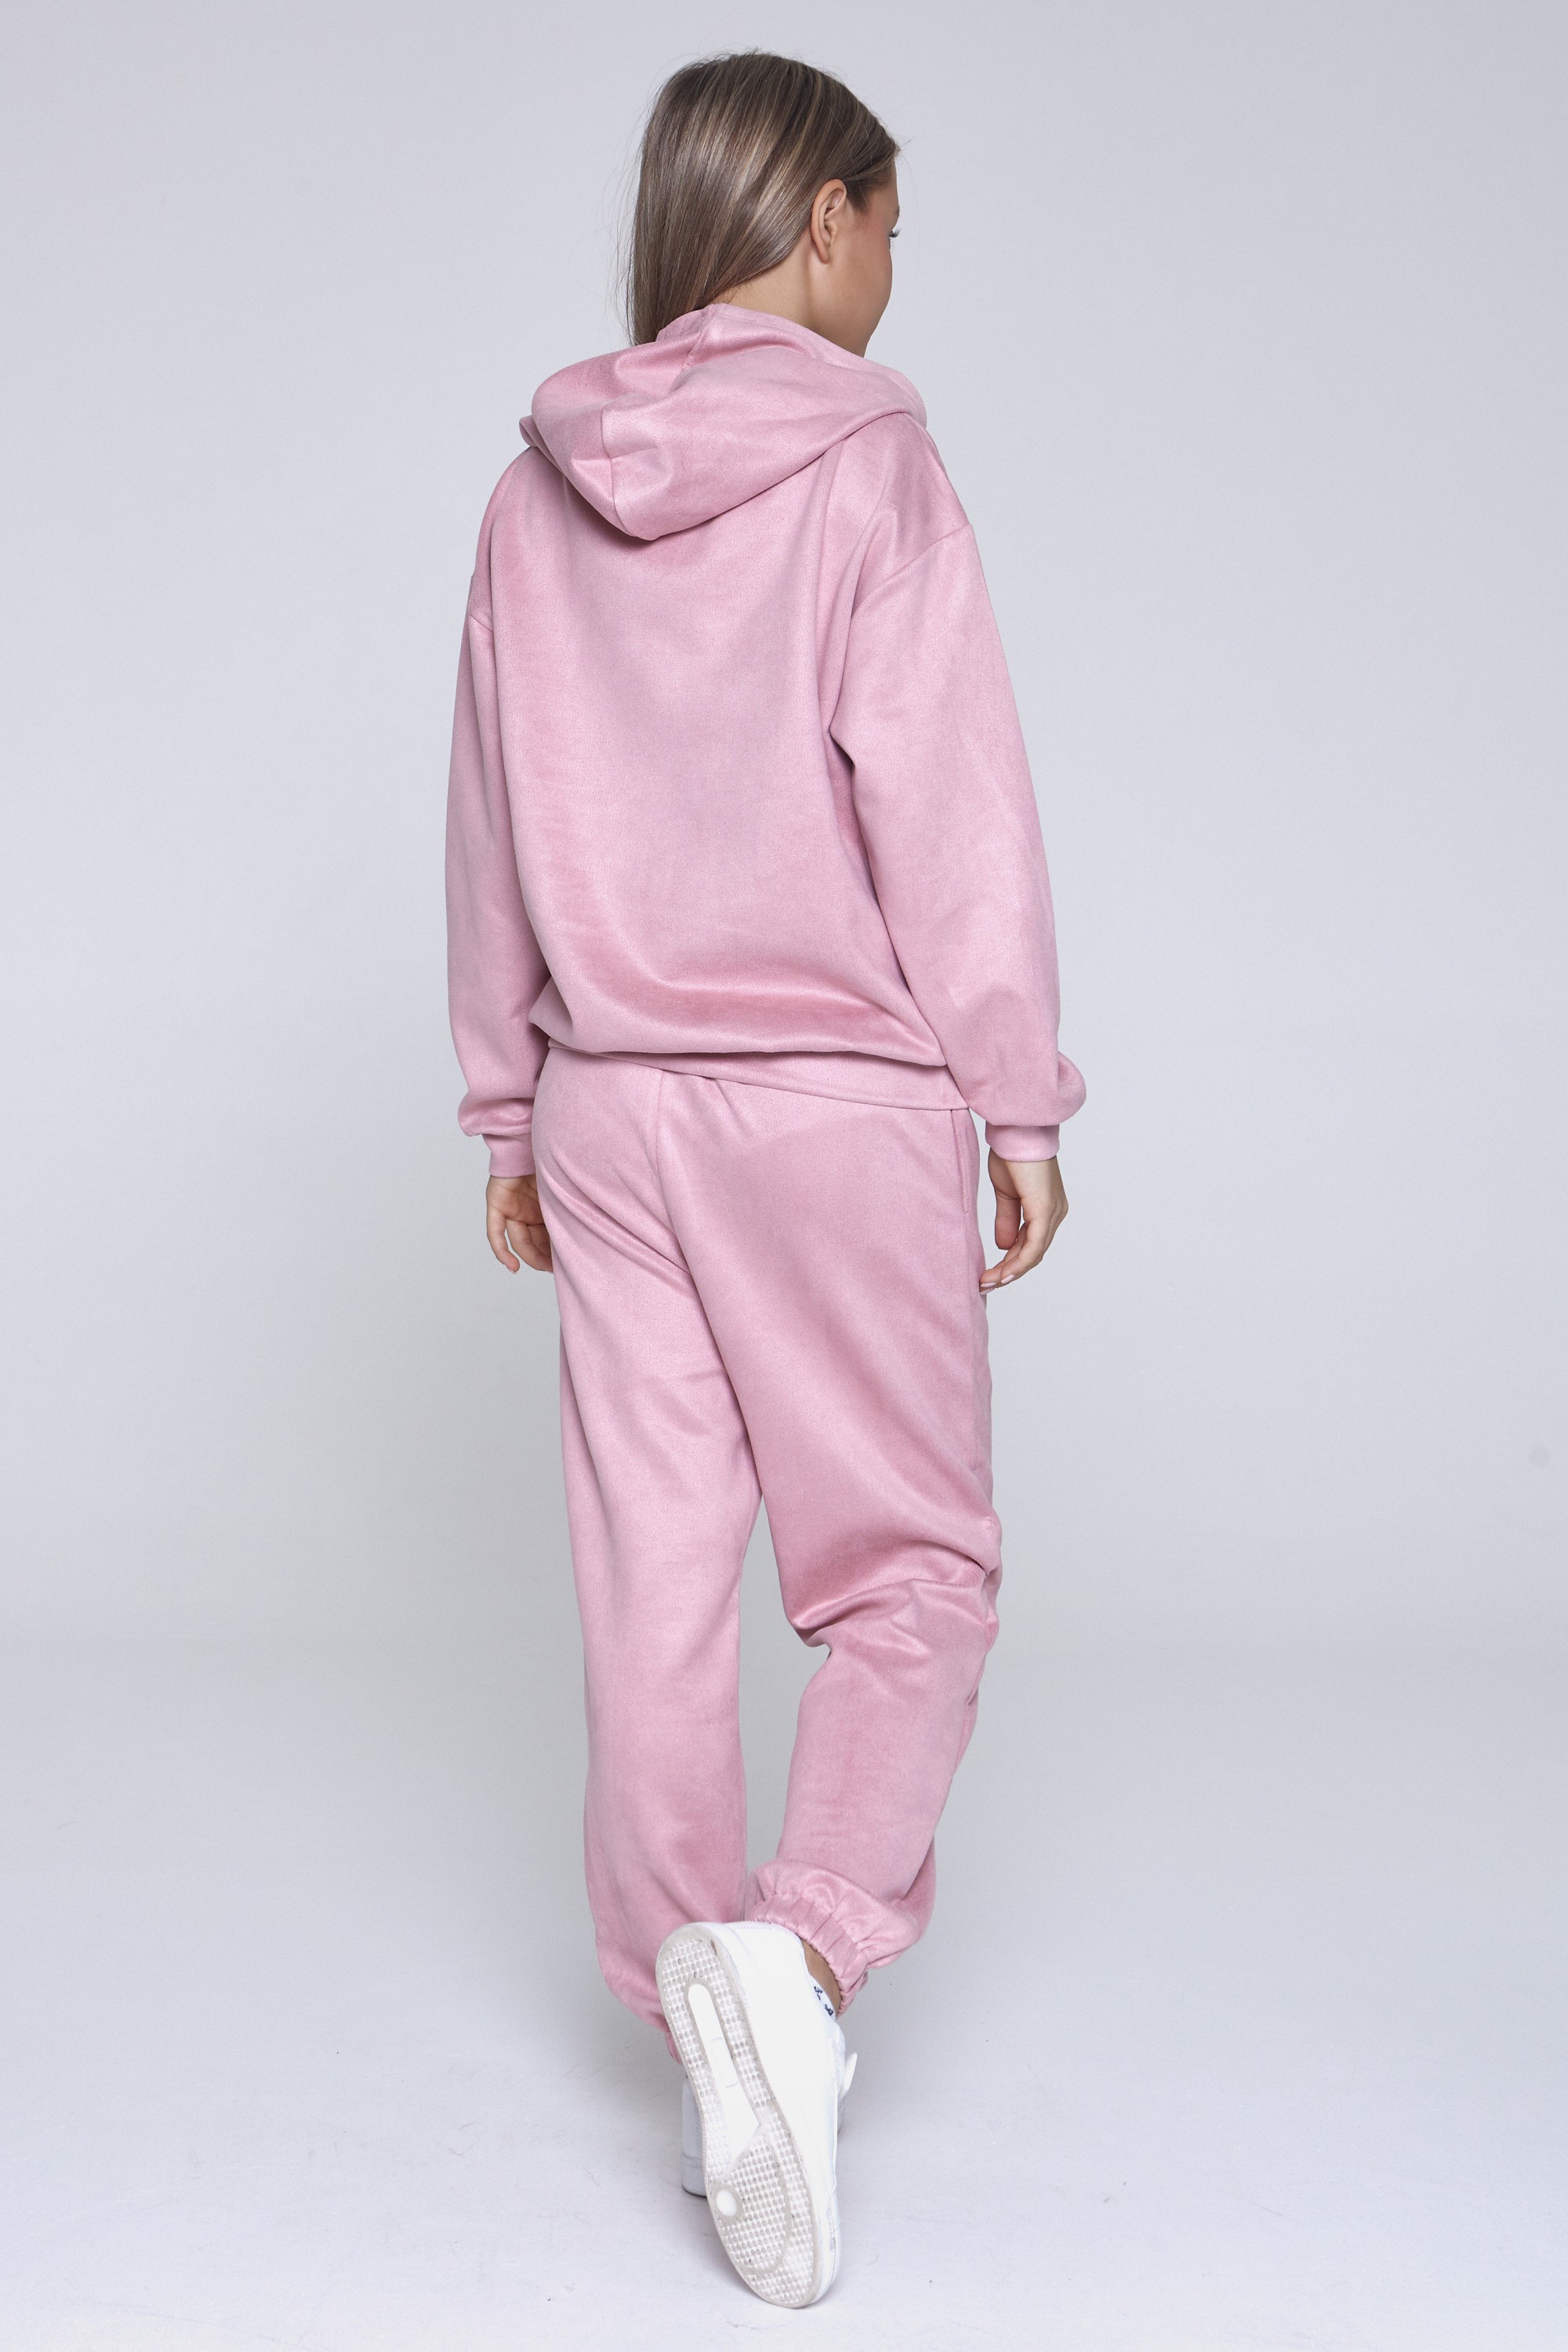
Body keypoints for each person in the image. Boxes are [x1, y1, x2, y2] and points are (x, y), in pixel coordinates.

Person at [445, 49, 1083, 2310]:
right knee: (907, 1573)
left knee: (653, 1584)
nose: (898, 266)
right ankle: (793, 1975)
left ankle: (689, 2006)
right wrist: (1017, 1098)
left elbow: (486, 813)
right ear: (822, 216)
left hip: (612, 1100)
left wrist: (506, 1104)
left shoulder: (532, 494)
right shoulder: (871, 465)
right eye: (892, 221)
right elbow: (952, 803)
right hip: (826, 1101)